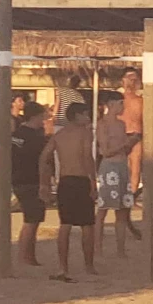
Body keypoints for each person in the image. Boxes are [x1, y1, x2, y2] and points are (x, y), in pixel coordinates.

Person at [40, 103, 97, 282]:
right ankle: (89, 265)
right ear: (77, 115)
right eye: (86, 114)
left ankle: (63, 267)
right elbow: (87, 156)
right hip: (81, 179)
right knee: (87, 224)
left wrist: (45, 182)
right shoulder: (85, 133)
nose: (88, 117)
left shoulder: (59, 135)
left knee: (65, 224)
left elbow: (44, 157)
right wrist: (93, 182)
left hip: (65, 181)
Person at [94, 92, 140, 258]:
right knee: (103, 208)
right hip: (109, 167)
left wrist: (132, 143)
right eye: (121, 104)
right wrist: (125, 144)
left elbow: (124, 149)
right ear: (111, 104)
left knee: (122, 210)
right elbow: (106, 151)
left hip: (122, 165)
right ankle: (97, 247)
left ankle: (120, 249)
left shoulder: (121, 125)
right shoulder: (102, 124)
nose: (123, 107)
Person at [12, 102, 48, 267]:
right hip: (31, 180)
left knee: (31, 218)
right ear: (35, 116)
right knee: (32, 220)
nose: (44, 120)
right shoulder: (35, 137)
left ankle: (28, 256)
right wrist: (44, 183)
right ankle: (25, 257)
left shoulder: (16, 134)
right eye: (42, 116)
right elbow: (43, 161)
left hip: (18, 179)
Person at [119, 68, 144, 197]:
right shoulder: (118, 99)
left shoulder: (141, 100)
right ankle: (122, 194)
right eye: (129, 78)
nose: (132, 81)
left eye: (135, 78)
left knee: (135, 166)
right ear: (123, 80)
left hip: (136, 134)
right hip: (121, 135)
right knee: (122, 165)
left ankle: (132, 195)